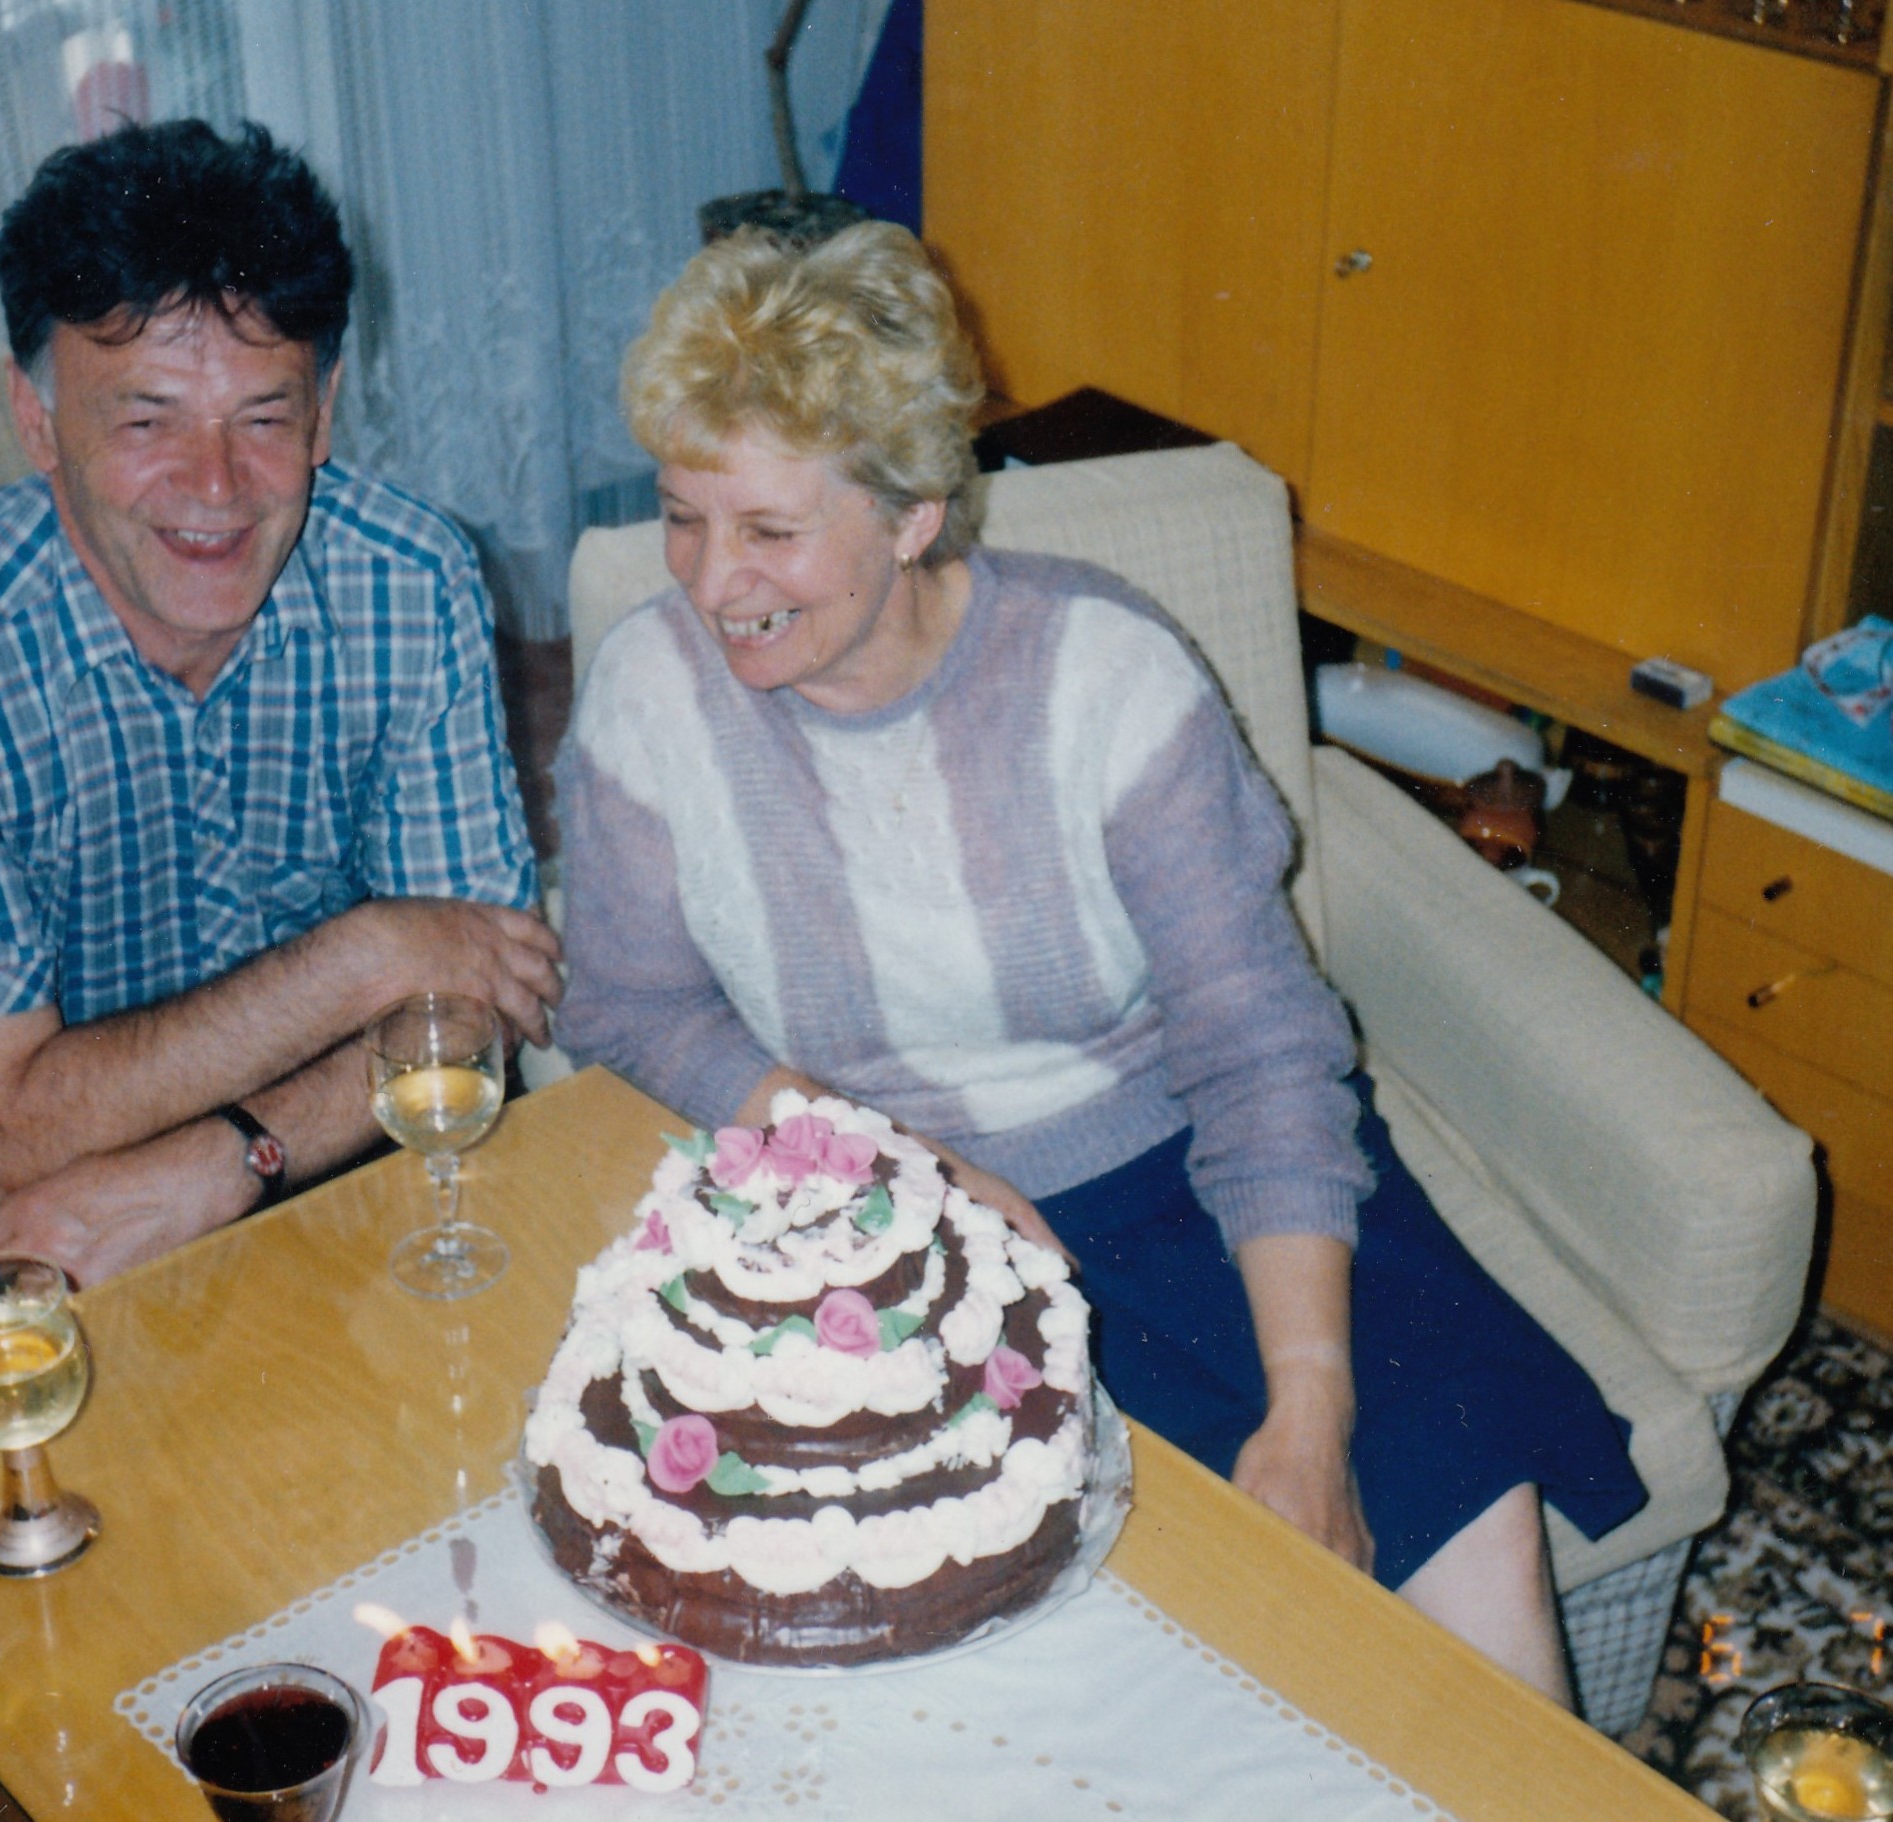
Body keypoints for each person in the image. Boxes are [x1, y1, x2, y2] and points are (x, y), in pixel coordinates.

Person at [552, 221, 1645, 1706]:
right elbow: (628, 1004)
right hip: (880, 1232)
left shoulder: (1103, 677)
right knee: (1123, 1640)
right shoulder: (651, 693)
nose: (709, 580)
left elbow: (1257, 1045)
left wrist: (1311, 1405)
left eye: (767, 530)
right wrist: (889, 1163)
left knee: (1471, 1537)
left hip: (1202, 1170)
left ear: (913, 515)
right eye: (683, 518)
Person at [0, 120, 560, 1339]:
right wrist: (373, 954)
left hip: (281, 1062)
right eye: (146, 421)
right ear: (35, 420)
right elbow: (15, 1127)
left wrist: (232, 1158)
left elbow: (481, 997)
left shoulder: (411, 576)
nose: (215, 487)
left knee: (495, 1285)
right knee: (87, 1360)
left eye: (264, 419)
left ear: (325, 414)